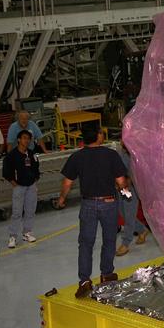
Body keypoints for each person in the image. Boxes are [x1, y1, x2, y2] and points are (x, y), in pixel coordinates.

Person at [58, 125, 128, 298]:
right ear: (98, 136)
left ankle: (84, 281)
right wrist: (124, 190)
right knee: (109, 240)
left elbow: (67, 183)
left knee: (86, 243)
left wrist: (61, 199)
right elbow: (121, 181)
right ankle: (107, 275)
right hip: (109, 203)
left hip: (88, 204)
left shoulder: (77, 157)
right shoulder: (111, 155)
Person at [2, 130, 40, 248]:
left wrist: (34, 180)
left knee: (30, 210)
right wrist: (14, 183)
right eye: (24, 138)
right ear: (19, 140)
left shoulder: (32, 154)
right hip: (19, 187)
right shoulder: (11, 155)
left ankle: (27, 232)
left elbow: (36, 168)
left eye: (28, 138)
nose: (26, 140)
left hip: (31, 186)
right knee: (17, 212)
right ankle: (13, 236)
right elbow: (6, 171)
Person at [116, 140, 149, 257]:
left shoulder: (136, 154)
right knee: (123, 213)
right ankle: (141, 230)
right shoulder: (120, 153)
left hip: (131, 188)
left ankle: (125, 243)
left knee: (129, 214)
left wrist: (130, 180)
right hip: (122, 188)